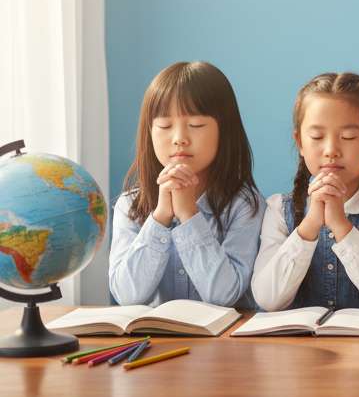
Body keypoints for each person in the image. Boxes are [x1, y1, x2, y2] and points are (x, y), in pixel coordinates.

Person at [251, 72, 359, 311]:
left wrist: (340, 224)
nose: (331, 150)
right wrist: (310, 224)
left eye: (347, 137)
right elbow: (267, 300)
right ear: (301, 143)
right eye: (317, 136)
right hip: (297, 348)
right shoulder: (278, 208)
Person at [110, 61, 262, 307]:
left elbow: (225, 296)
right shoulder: (130, 205)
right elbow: (127, 296)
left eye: (196, 125)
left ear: (225, 131)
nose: (179, 138)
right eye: (165, 126)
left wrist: (189, 215)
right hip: (158, 343)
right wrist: (160, 218)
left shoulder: (245, 206)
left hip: (223, 343)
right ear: (149, 132)